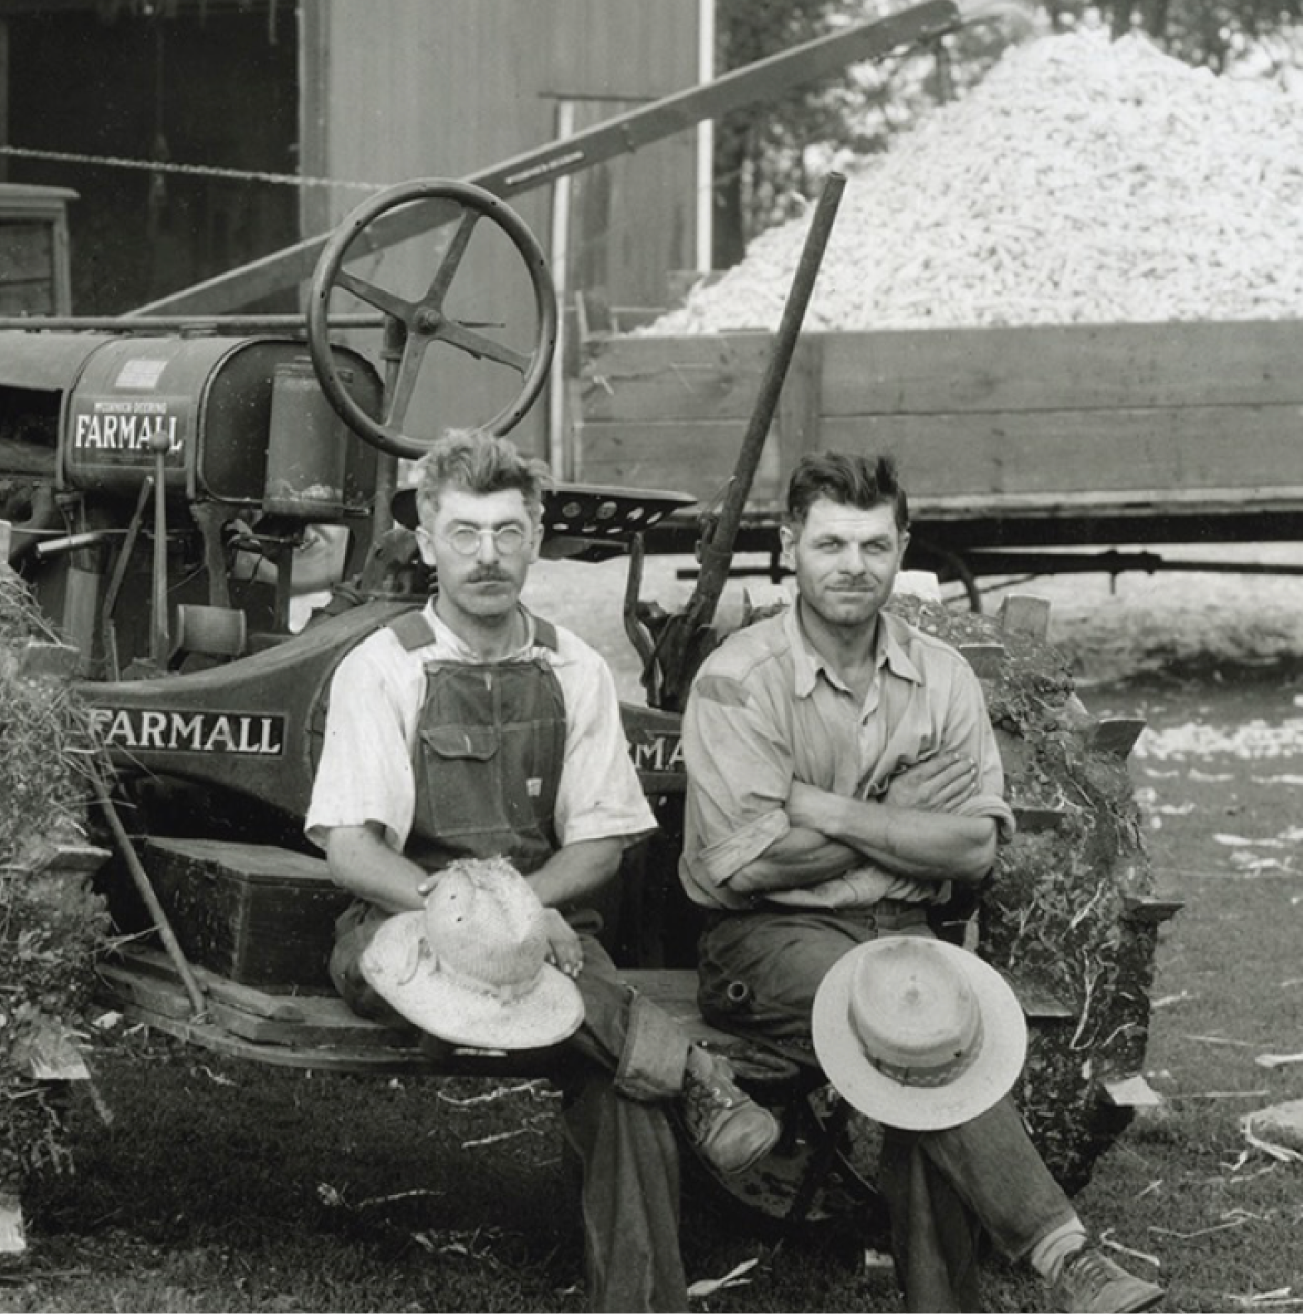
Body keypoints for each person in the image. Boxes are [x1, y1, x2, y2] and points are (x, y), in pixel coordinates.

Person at [305, 426, 777, 1314]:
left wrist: (524, 908)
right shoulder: (387, 664)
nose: (487, 556)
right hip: (404, 921)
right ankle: (695, 1075)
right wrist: (472, 911)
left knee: (623, 1088)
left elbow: (600, 840)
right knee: (628, 1049)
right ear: (426, 537)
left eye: (508, 533)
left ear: (537, 535)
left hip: (547, 921)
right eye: (465, 533)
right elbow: (351, 850)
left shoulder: (575, 666)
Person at [679, 452, 1165, 1314]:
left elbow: (974, 849)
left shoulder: (940, 674)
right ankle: (1065, 1254)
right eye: (830, 543)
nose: (852, 566)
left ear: (903, 545)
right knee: (921, 1030)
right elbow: (749, 864)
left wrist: (835, 810)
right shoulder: (738, 678)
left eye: (874, 544)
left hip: (904, 932)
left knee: (924, 1030)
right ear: (790, 546)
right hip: (764, 940)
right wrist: (905, 823)